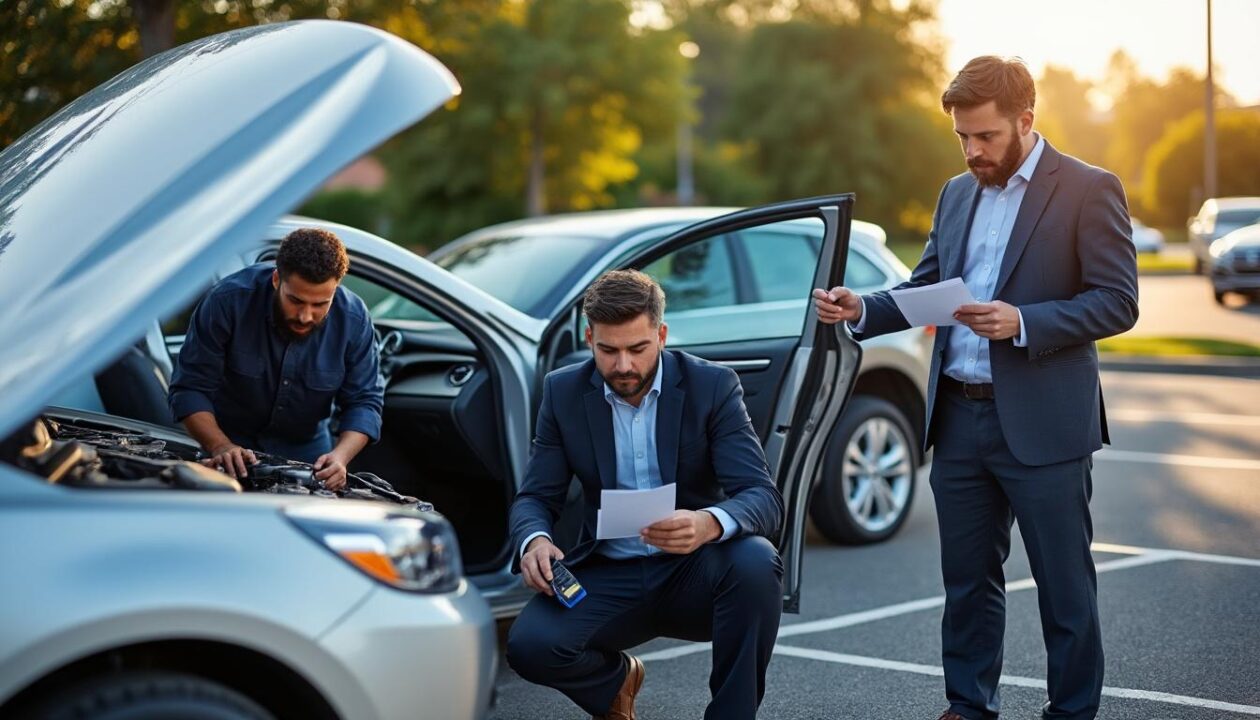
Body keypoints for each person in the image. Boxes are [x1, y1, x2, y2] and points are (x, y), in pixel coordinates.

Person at [813, 56, 1138, 720]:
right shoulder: (956, 193)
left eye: (985, 136)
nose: (972, 150)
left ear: (1025, 120)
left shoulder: (1088, 188)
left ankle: (1071, 713)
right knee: (967, 587)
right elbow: (925, 285)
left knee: (1064, 591)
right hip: (958, 421)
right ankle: (969, 707)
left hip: (1046, 427)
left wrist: (1025, 321)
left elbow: (1118, 302)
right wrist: (863, 308)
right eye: (962, 137)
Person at [506, 270, 784, 720]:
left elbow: (762, 497)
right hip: (608, 572)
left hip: (695, 570)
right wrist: (534, 540)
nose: (623, 367)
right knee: (529, 647)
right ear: (589, 336)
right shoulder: (562, 392)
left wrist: (706, 523)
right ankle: (615, 681)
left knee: (756, 560)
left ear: (662, 334)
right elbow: (535, 496)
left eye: (638, 349)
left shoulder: (712, 386)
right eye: (608, 350)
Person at [168, 227, 384, 490]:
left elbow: (364, 401)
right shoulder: (227, 302)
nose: (306, 316)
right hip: (225, 449)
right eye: (296, 300)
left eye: (320, 304)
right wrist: (219, 445)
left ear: (336, 288)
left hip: (309, 457)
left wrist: (340, 458)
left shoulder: (354, 320)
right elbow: (190, 388)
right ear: (276, 280)